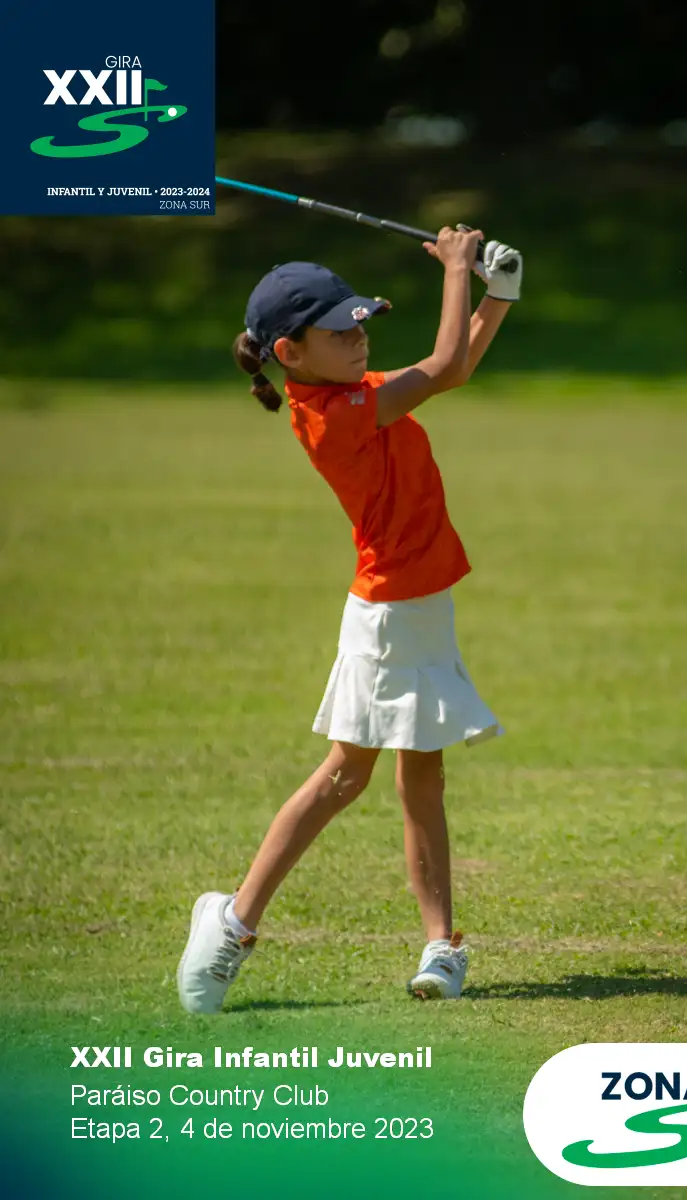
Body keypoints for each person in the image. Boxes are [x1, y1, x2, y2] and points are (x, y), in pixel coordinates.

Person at [177, 225, 523, 1014]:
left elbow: (454, 369)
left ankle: (440, 946)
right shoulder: (337, 414)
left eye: (360, 322)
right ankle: (234, 922)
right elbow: (442, 365)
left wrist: (497, 292)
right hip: (388, 614)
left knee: (420, 775)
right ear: (290, 353)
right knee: (345, 776)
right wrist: (457, 271)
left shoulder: (352, 391)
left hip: (420, 606)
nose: (359, 336)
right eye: (340, 332)